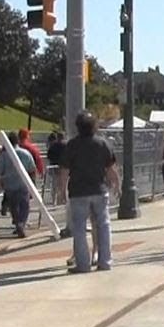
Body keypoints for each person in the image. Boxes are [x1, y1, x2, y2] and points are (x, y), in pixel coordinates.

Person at [60, 111, 120, 273]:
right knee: (103, 225)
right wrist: (117, 185)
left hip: (78, 192)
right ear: (95, 126)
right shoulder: (103, 144)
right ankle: (105, 261)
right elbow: (111, 169)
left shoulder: (71, 145)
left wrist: (61, 190)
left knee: (79, 228)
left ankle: (83, 264)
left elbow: (65, 171)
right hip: (99, 190)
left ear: (77, 127)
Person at [0, 131, 37, 237]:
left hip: (9, 185)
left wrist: (0, 181)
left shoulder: (4, 155)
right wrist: (32, 182)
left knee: (13, 207)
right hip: (23, 183)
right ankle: (21, 223)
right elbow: (32, 169)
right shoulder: (25, 153)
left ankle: (17, 224)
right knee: (24, 206)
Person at [47, 131, 68, 205]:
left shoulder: (53, 145)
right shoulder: (66, 145)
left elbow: (49, 156)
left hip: (54, 167)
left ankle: (54, 200)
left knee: (55, 184)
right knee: (63, 185)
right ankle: (63, 200)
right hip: (64, 167)